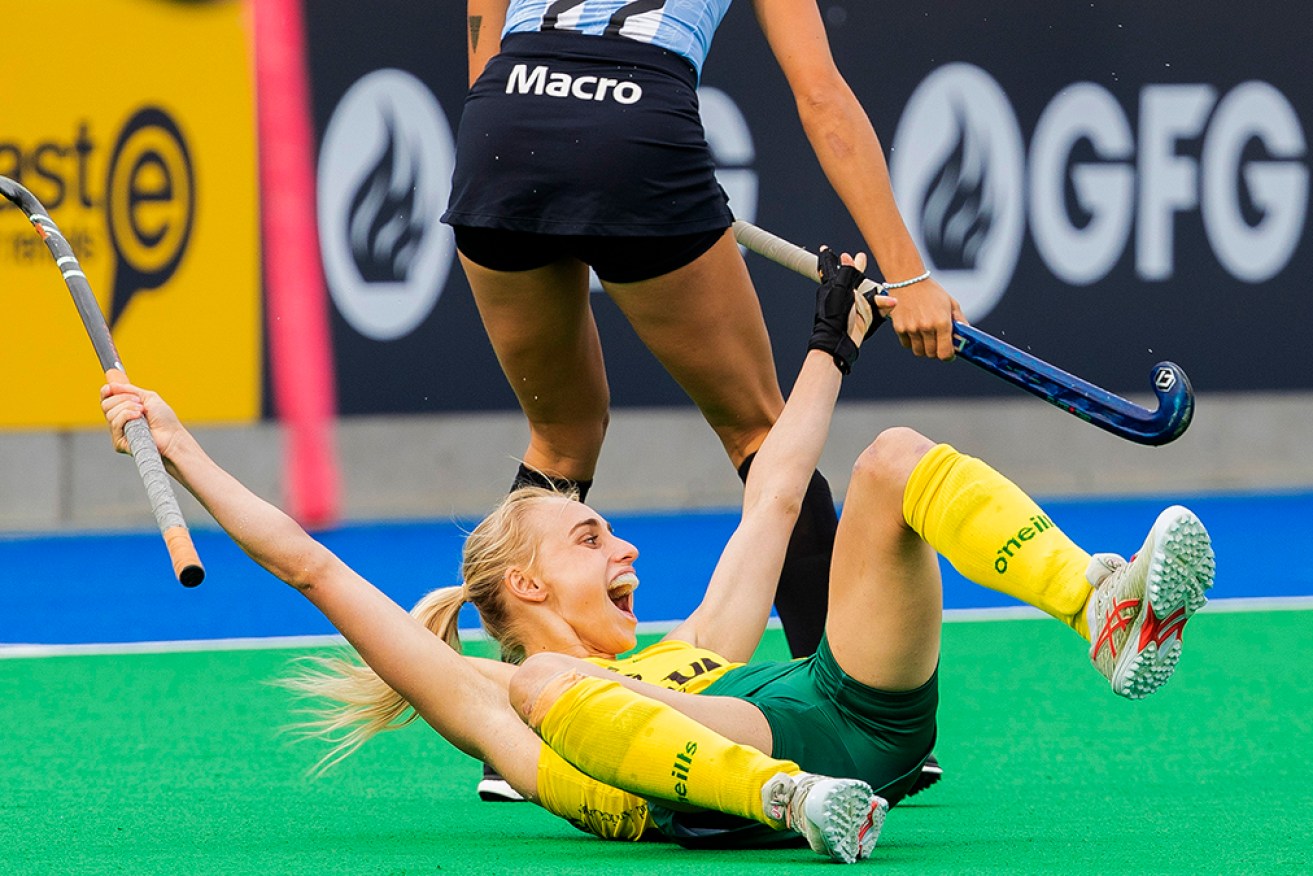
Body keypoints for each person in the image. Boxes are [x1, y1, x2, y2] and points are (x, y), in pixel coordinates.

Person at [100, 253, 1214, 863]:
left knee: (889, 461)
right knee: (553, 690)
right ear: (525, 585)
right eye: (590, 534)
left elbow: (775, 492)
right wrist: (179, 442)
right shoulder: (499, 697)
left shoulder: (698, 649)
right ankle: (787, 801)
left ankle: (1099, 609)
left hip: (849, 723)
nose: (622, 542)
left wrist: (830, 338)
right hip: (741, 781)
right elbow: (311, 568)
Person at [446, 0, 964, 799]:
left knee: (559, 436)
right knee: (758, 427)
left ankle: (519, 726)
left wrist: (529, 133)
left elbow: (485, 34)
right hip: (635, 125)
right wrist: (905, 272)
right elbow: (820, 96)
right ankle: (850, 702)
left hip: (502, 122)